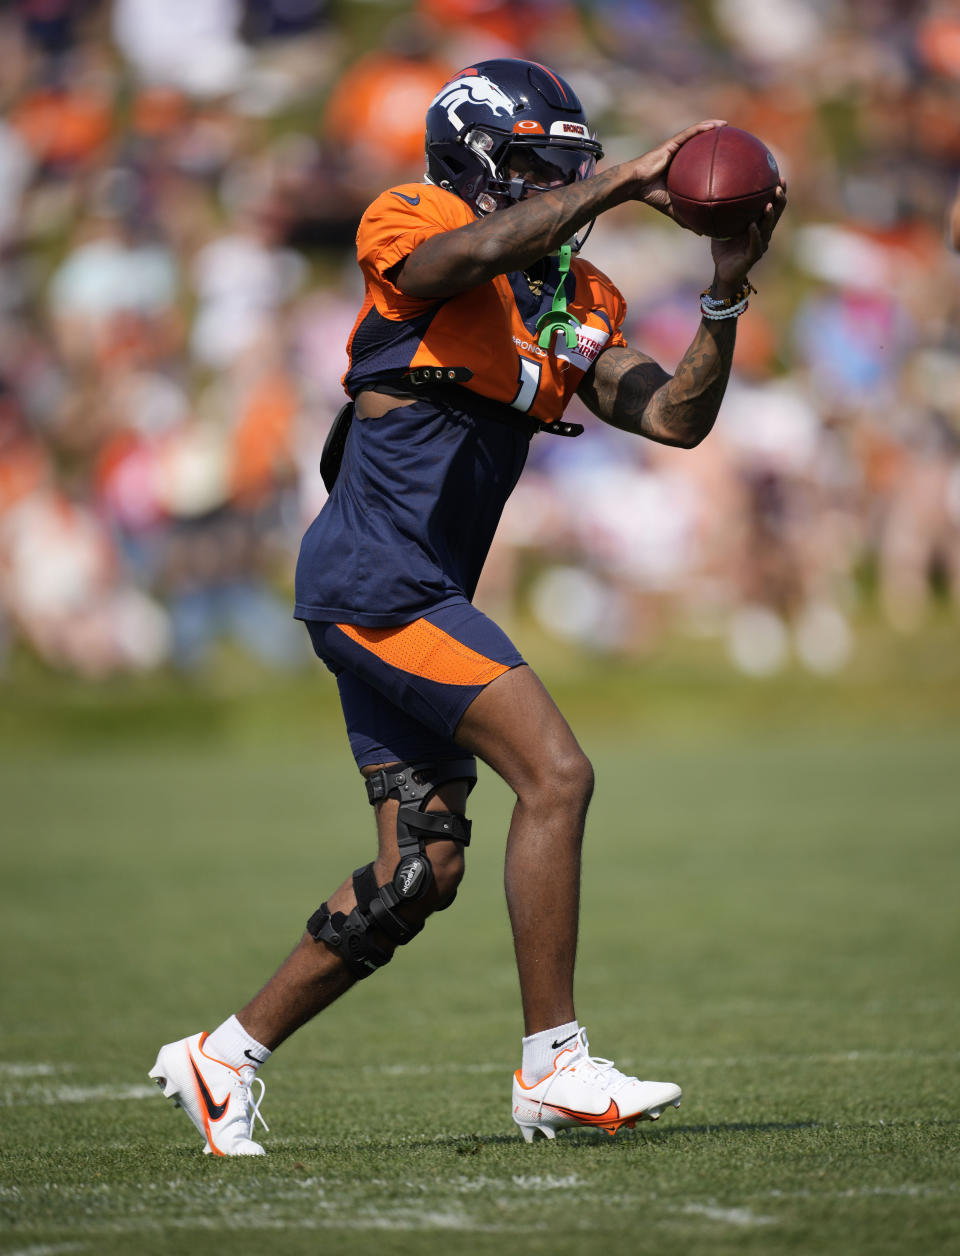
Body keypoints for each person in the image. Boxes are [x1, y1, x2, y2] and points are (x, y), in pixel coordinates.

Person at [149, 58, 786, 1154]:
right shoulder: (414, 220)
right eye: (541, 168)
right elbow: (470, 254)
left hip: (413, 586)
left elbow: (676, 416)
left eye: (568, 173)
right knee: (558, 771)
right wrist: (632, 177)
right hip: (372, 576)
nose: (560, 191)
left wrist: (725, 286)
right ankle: (554, 1064)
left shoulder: (570, 299)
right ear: (484, 165)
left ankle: (224, 1055)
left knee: (418, 872)